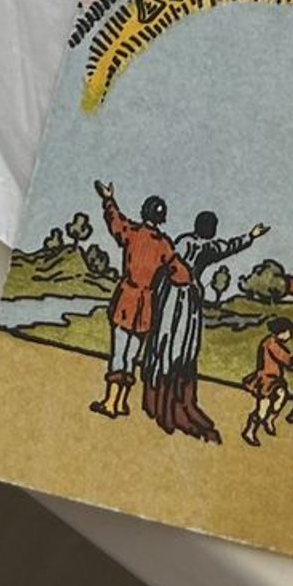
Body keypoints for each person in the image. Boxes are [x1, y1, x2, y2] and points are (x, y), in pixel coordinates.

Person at [141, 209, 268, 441]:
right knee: (177, 348)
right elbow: (226, 247)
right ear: (207, 228)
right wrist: (251, 236)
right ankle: (170, 407)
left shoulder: (182, 241)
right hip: (182, 302)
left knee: (168, 347)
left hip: (170, 297)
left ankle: (161, 403)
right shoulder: (202, 247)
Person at [90, 180, 191, 420]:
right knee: (132, 356)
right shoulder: (164, 244)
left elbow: (115, 221)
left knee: (119, 354)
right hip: (147, 305)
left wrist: (108, 199)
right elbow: (182, 274)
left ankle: (111, 403)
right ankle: (122, 401)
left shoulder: (133, 233)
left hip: (127, 298)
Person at [240, 316, 293, 447]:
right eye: (288, 333)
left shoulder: (273, 342)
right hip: (267, 380)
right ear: (281, 331)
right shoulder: (271, 344)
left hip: (275, 380)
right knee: (263, 408)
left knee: (282, 395)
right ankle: (250, 431)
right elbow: (286, 359)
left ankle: (269, 420)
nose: (289, 336)